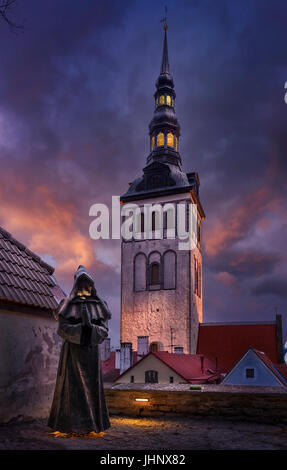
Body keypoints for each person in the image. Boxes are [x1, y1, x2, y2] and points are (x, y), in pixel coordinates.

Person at [48, 265, 111, 434]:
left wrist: (90, 327)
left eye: (87, 282)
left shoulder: (100, 305)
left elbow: (104, 331)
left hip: (90, 353)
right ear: (76, 284)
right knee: (71, 389)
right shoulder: (66, 304)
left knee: (91, 389)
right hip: (72, 354)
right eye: (81, 282)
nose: (84, 286)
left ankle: (92, 425)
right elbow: (62, 328)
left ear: (92, 285)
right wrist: (81, 328)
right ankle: (69, 425)